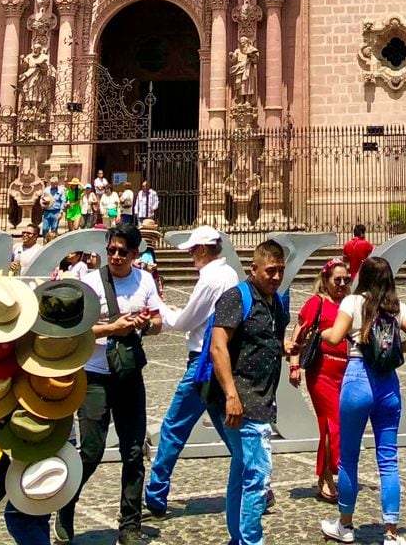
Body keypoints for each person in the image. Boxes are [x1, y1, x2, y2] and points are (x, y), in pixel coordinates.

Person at [54, 217, 165, 545]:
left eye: (122, 252)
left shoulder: (144, 281)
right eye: (111, 250)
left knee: (133, 452)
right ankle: (66, 505)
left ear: (134, 253)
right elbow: (75, 328)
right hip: (95, 375)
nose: (115, 256)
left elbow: (158, 321)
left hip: (129, 375)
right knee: (91, 449)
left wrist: (145, 323)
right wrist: (112, 328)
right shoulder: (88, 281)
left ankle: (130, 525)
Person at [319, 254, 406, 545]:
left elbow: (334, 337)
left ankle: (345, 525)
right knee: (389, 460)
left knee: (349, 459)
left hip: (357, 380)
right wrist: (396, 351)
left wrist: (324, 332)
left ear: (362, 278)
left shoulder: (353, 303)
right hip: (388, 384)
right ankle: (391, 532)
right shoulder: (397, 308)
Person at [144, 225, 239, 517]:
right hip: (222, 362)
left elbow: (185, 322)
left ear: (201, 250)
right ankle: (259, 486)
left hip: (202, 364)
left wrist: (160, 304)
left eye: (191, 251)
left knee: (174, 426)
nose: (189, 256)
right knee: (229, 430)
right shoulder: (230, 274)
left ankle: (155, 494)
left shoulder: (210, 278)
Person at [207, 239, 288, 545]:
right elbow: (218, 348)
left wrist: (287, 349)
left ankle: (237, 538)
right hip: (243, 401)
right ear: (253, 269)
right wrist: (231, 395)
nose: (276, 276)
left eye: (280, 271)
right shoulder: (236, 298)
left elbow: (269, 342)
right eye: (271, 271)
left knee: (242, 470)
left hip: (262, 399)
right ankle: (250, 541)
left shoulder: (275, 301)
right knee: (258, 476)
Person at [287, 258, 351, 502]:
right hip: (322, 372)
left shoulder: (350, 303)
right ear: (326, 281)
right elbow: (299, 331)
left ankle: (328, 474)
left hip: (347, 373)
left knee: (336, 425)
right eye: (337, 280)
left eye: (346, 279)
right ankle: (327, 476)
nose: (342, 284)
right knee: (332, 424)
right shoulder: (317, 303)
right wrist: (294, 366)